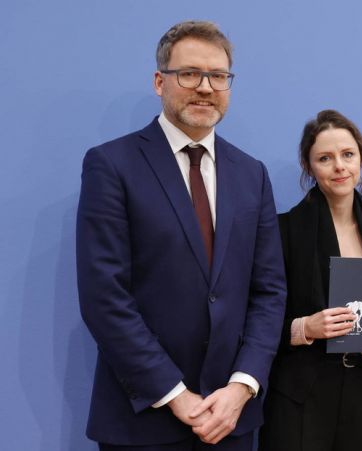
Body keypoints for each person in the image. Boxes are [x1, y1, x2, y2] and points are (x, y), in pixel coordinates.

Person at [76, 21, 287, 450]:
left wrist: (241, 386)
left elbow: (269, 292)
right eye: (190, 74)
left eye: (218, 76)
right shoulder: (112, 165)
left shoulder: (252, 174)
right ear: (160, 81)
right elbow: (104, 296)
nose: (205, 87)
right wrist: (174, 394)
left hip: (231, 420)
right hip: (143, 420)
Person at [258, 109, 362, 451]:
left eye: (348, 155)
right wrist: (304, 328)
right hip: (300, 399)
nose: (339, 167)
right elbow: (256, 319)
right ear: (309, 167)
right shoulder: (283, 231)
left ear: (361, 159)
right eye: (325, 158)